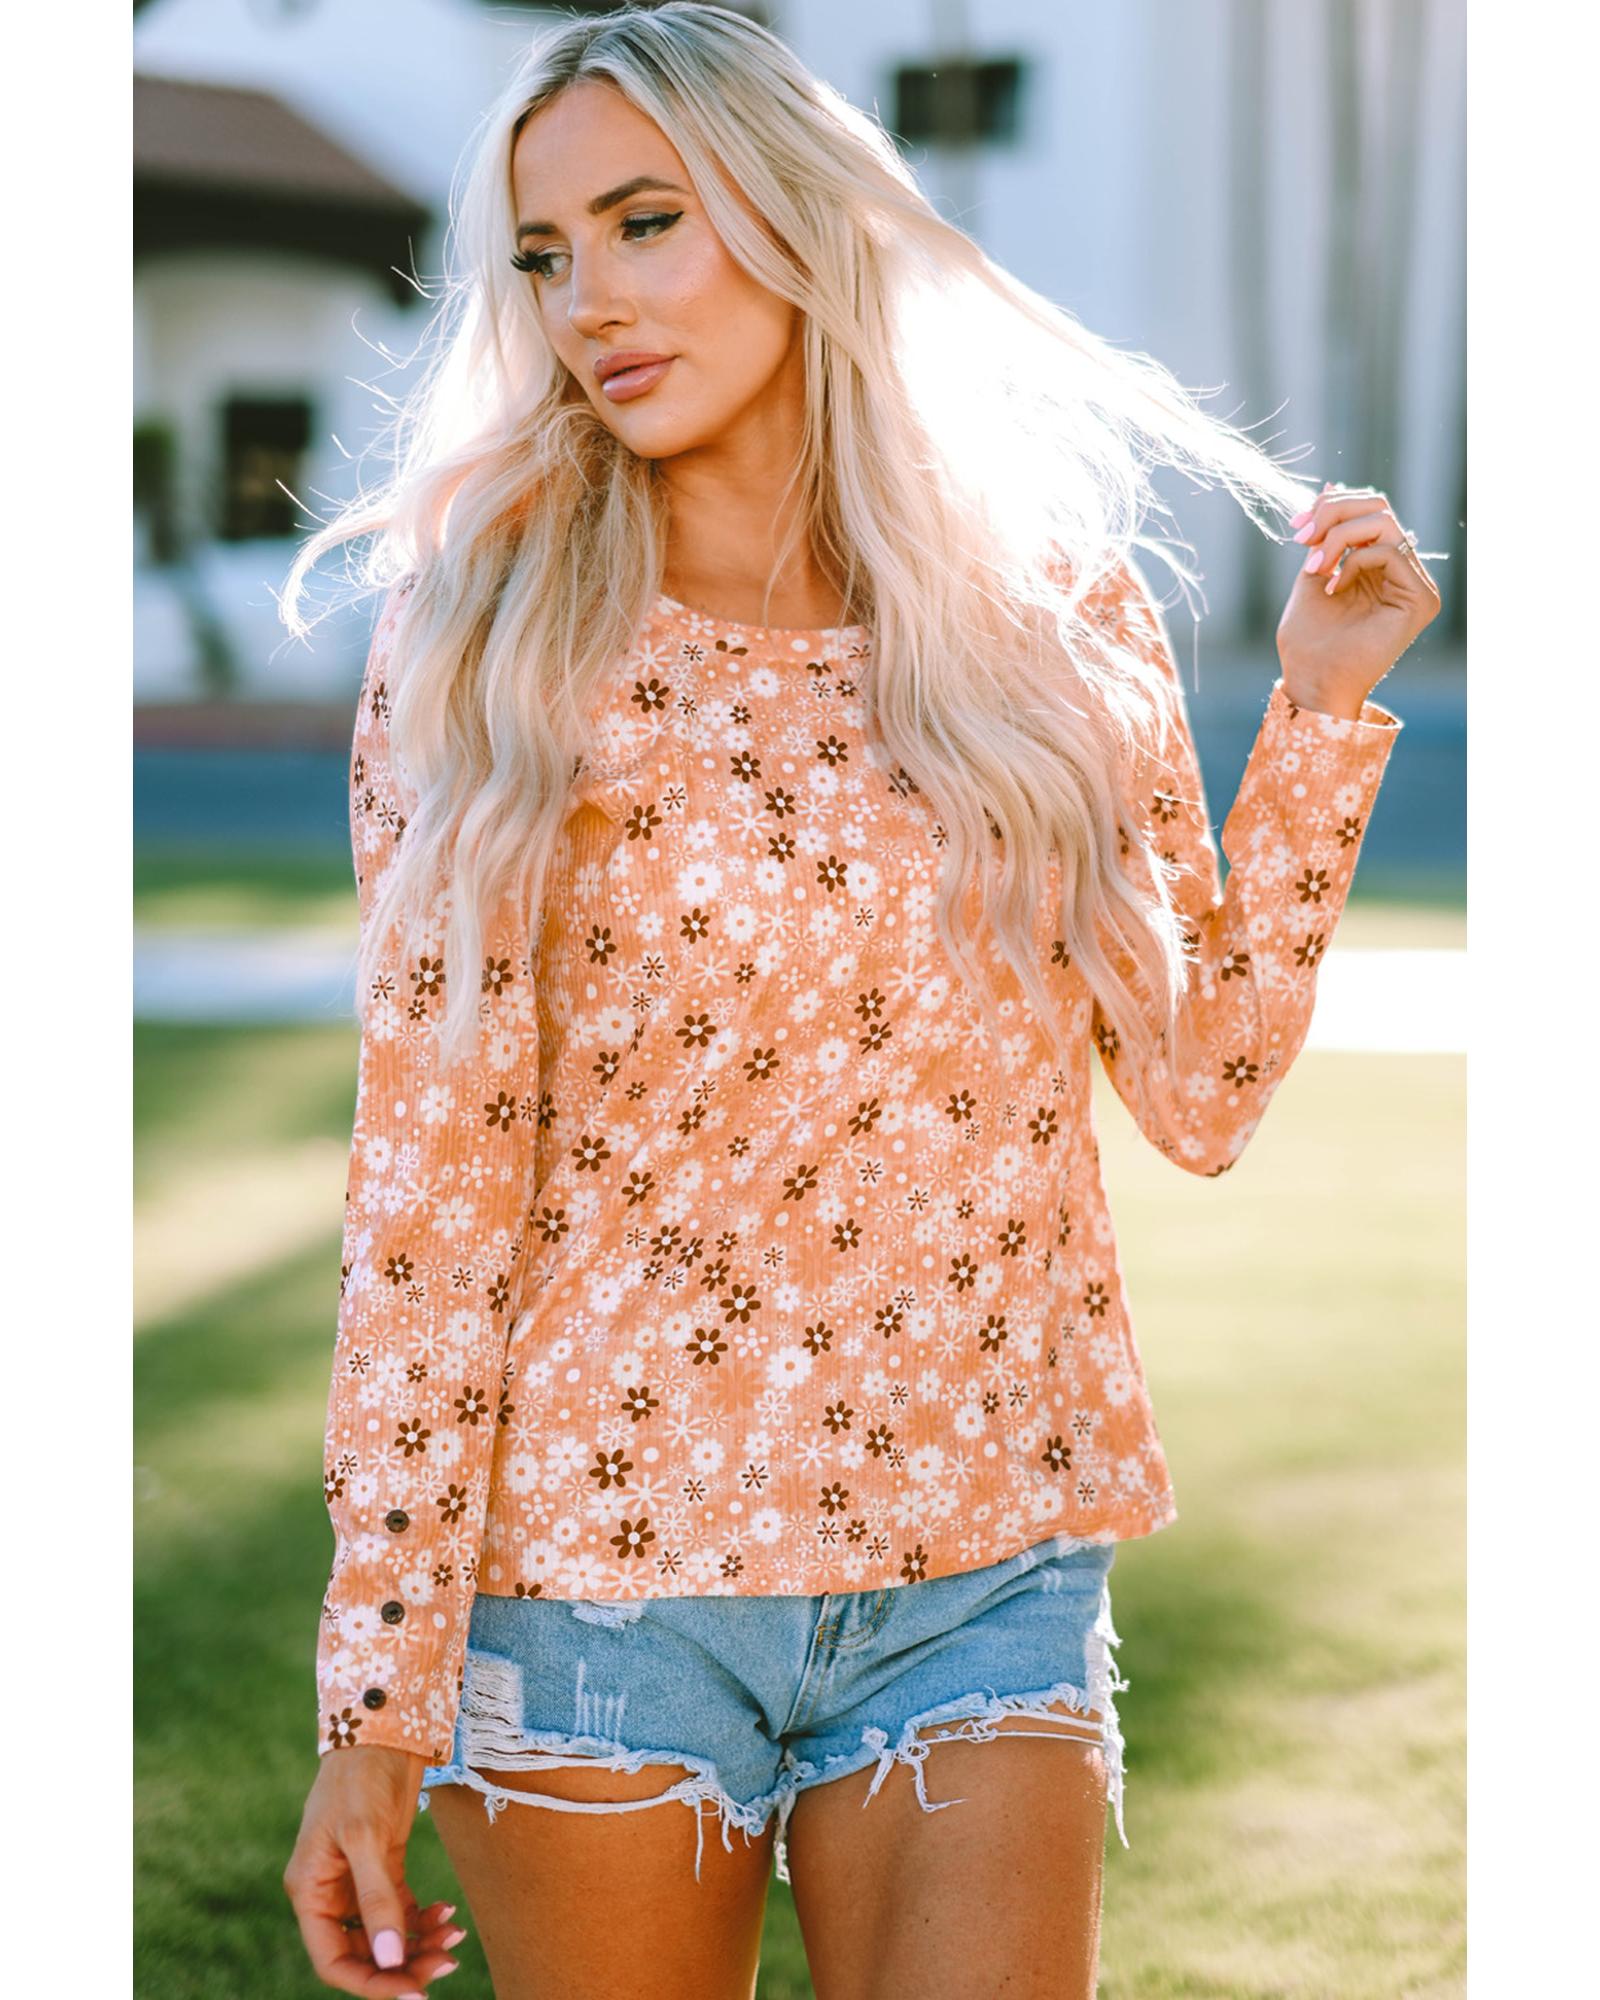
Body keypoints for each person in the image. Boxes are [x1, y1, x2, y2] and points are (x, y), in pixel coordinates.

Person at [278, 6, 1440, 1995]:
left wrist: (1321, 710)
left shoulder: (1048, 626)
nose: (586, 299)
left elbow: (1202, 1088)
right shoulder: (489, 649)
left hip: (982, 1569)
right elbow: (431, 1198)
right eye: (544, 254)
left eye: (646, 221)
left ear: (798, 218)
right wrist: (375, 1696)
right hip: (599, 1590)